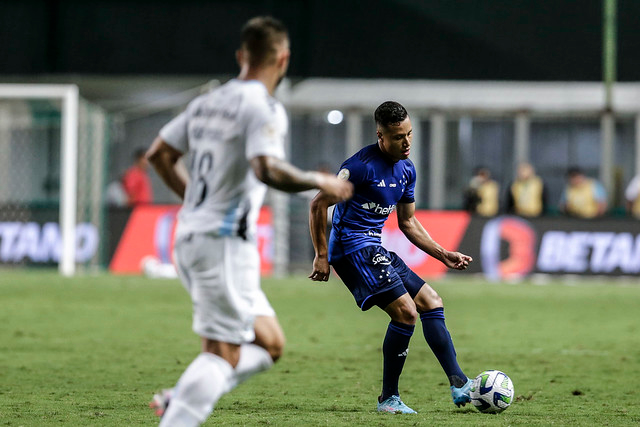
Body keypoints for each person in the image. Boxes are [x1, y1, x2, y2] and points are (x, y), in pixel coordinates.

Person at [145, 16, 353, 427]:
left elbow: (159, 156)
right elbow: (266, 169)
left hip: (197, 236)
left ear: (241, 56)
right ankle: (182, 410)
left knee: (270, 344)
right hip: (221, 243)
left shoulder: (207, 102)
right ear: (283, 59)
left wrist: (197, 202)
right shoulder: (262, 106)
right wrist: (318, 179)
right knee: (220, 353)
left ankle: (184, 394)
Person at [309, 101, 473, 414]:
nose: (407, 142)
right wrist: (321, 255)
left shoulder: (407, 170)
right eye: (399, 137)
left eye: (409, 134)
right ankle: (388, 399)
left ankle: (459, 383)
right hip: (350, 248)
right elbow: (318, 204)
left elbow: (408, 222)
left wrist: (443, 254)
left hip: (375, 247)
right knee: (406, 313)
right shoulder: (359, 168)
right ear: (381, 136)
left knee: (431, 301)